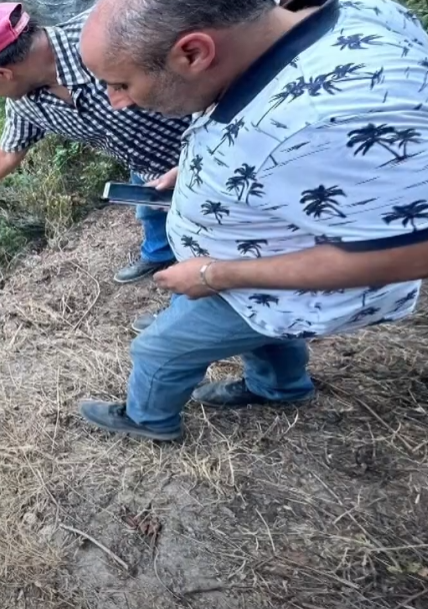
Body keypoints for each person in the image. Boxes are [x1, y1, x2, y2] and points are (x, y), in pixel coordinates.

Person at [74, 0, 428, 441]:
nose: (117, 101)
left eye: (122, 83)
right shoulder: (334, 19)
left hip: (272, 283)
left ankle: (149, 420)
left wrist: (214, 274)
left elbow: (411, 250)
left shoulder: (325, 118)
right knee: (266, 334)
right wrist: (197, 170)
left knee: (158, 349)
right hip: (265, 288)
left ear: (193, 53)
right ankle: (280, 388)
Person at [0, 2, 191, 288]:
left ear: (1, 75)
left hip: (203, 148)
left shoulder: (109, 31)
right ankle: (158, 254)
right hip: (145, 165)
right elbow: (8, 151)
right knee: (148, 210)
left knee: (203, 232)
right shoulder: (24, 102)